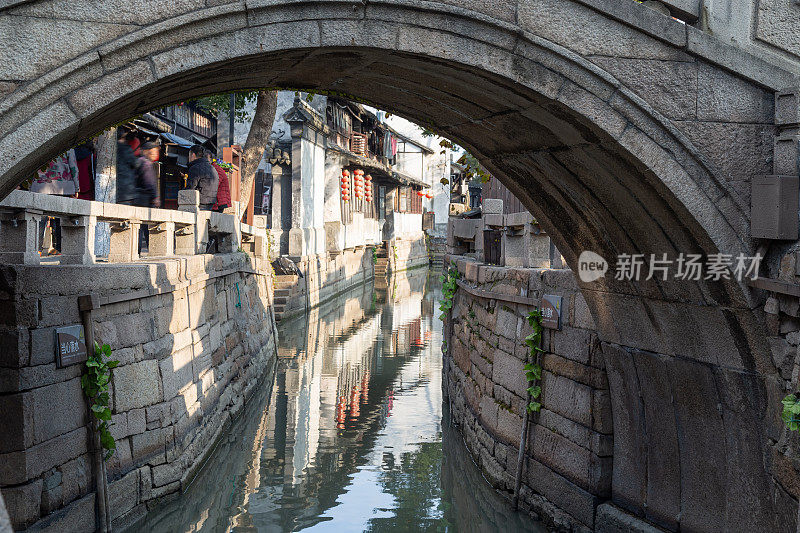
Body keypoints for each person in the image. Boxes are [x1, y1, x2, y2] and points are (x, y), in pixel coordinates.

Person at [30, 149, 80, 255]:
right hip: (63, 186)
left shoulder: (40, 143)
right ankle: (59, 249)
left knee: (39, 218)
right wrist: (76, 187)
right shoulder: (68, 144)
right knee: (60, 219)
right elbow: (73, 167)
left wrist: (30, 185)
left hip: (41, 185)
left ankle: (36, 249)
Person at [186, 144, 218, 211]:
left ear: (193, 155)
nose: (188, 158)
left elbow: (190, 188)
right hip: (210, 202)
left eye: (189, 155)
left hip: (199, 202)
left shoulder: (195, 168)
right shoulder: (212, 167)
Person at [116, 131, 141, 206]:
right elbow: (136, 164)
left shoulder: (112, 148)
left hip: (115, 188)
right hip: (125, 188)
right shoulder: (125, 149)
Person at [137, 141, 161, 208]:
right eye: (153, 151)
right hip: (144, 199)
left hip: (138, 198)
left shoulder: (138, 161)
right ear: (146, 151)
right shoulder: (146, 163)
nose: (155, 154)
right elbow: (149, 182)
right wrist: (155, 197)